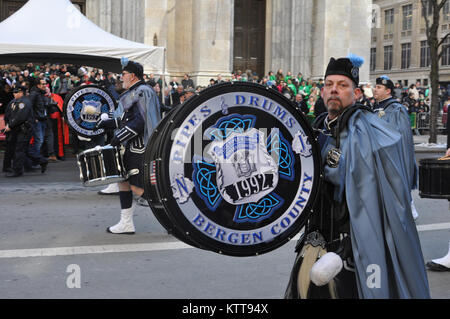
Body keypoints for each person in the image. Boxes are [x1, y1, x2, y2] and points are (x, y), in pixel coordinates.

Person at [284, 55, 430, 299]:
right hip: (315, 241)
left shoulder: (366, 128)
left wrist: (319, 158)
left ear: (356, 93)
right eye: (329, 84)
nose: (334, 90)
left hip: (350, 248)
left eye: (342, 85)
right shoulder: (319, 124)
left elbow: (359, 181)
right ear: (321, 91)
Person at [96, 58, 161, 234]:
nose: (121, 77)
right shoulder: (133, 92)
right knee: (123, 183)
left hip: (140, 147)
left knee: (138, 188)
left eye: (123, 74)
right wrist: (103, 122)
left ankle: (173, 217)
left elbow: (140, 122)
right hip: (131, 145)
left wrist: (117, 138)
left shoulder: (142, 92)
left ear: (132, 75)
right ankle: (126, 223)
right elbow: (124, 119)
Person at [373, 75, 419, 220]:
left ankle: (408, 204)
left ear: (388, 91)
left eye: (379, 87)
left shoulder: (397, 109)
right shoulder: (375, 108)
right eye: (376, 86)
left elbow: (401, 140)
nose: (375, 89)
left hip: (392, 158)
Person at [3, 86, 34, 177]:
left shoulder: (24, 103)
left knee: (19, 150)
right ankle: (38, 162)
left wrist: (10, 125)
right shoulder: (13, 102)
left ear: (21, 93)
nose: (14, 94)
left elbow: (20, 117)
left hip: (23, 129)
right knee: (19, 149)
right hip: (16, 129)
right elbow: (7, 115)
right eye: (14, 92)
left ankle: (17, 170)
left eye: (16, 92)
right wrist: (7, 125)